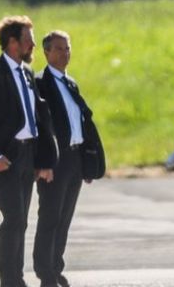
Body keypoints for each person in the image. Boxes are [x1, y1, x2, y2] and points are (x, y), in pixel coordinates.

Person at [0, 16, 58, 287]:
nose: (33, 44)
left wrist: (43, 160)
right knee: (14, 218)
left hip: (27, 155)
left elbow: (38, 119)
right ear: (12, 43)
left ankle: (15, 277)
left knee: (21, 221)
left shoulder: (27, 73)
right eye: (28, 40)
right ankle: (11, 281)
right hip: (4, 158)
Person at [33, 31, 105, 287]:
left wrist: (87, 163)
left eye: (67, 48)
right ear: (46, 53)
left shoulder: (70, 83)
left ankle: (55, 265)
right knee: (50, 216)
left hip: (74, 159)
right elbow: (42, 125)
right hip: (55, 160)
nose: (65, 53)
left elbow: (80, 123)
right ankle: (44, 272)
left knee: (65, 217)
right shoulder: (41, 82)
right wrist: (44, 162)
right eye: (59, 49)